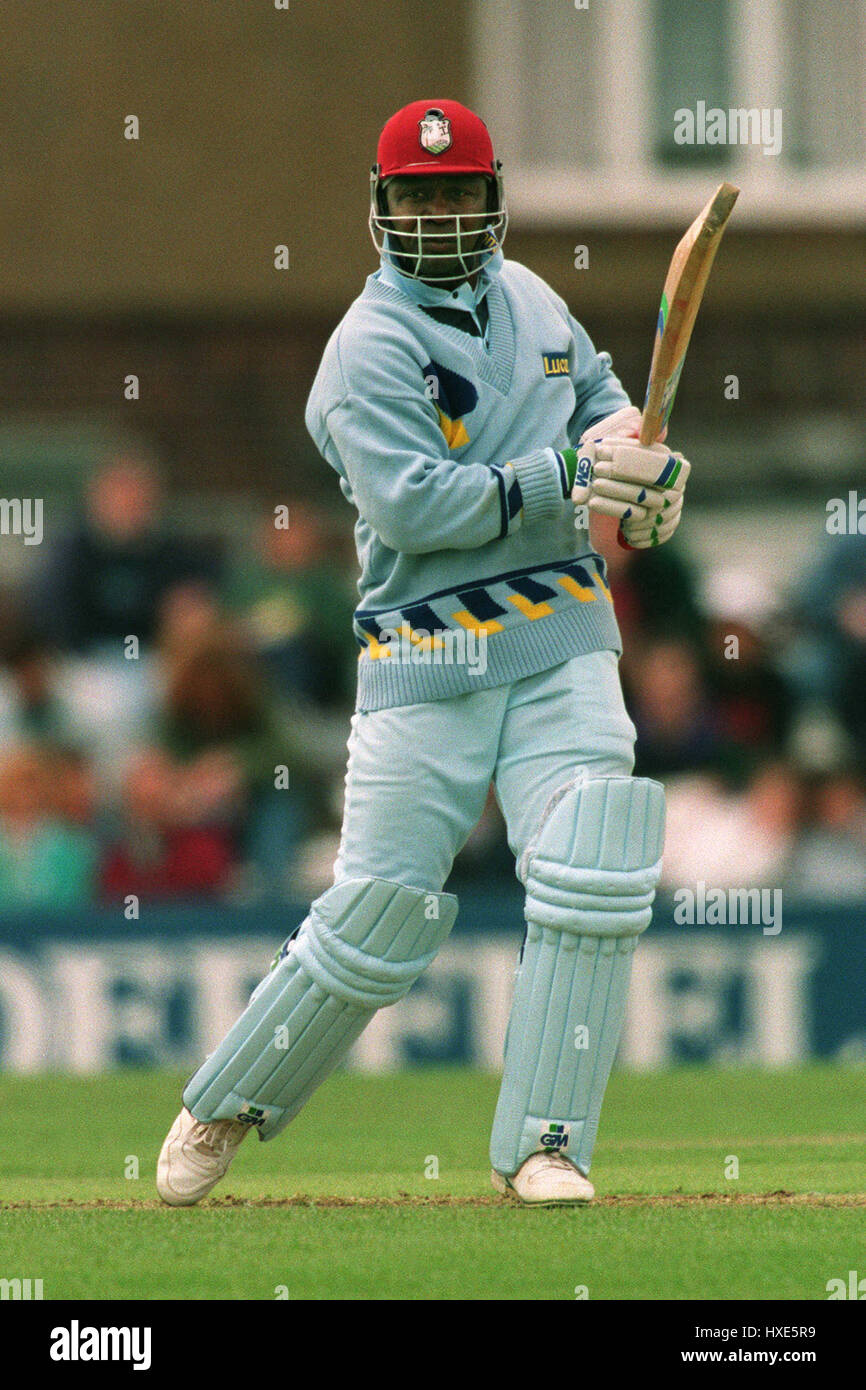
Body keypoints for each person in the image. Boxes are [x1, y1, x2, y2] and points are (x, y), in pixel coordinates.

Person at [157, 99, 690, 1207]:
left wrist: (641, 469)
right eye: (417, 195)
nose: (438, 214)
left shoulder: (535, 300)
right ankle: (227, 1099)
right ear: (380, 206)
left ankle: (546, 1144)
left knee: (593, 866)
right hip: (427, 651)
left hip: (562, 638)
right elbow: (410, 508)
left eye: (456, 193)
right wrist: (566, 481)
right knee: (377, 915)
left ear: (490, 198)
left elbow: (599, 404)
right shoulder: (366, 349)